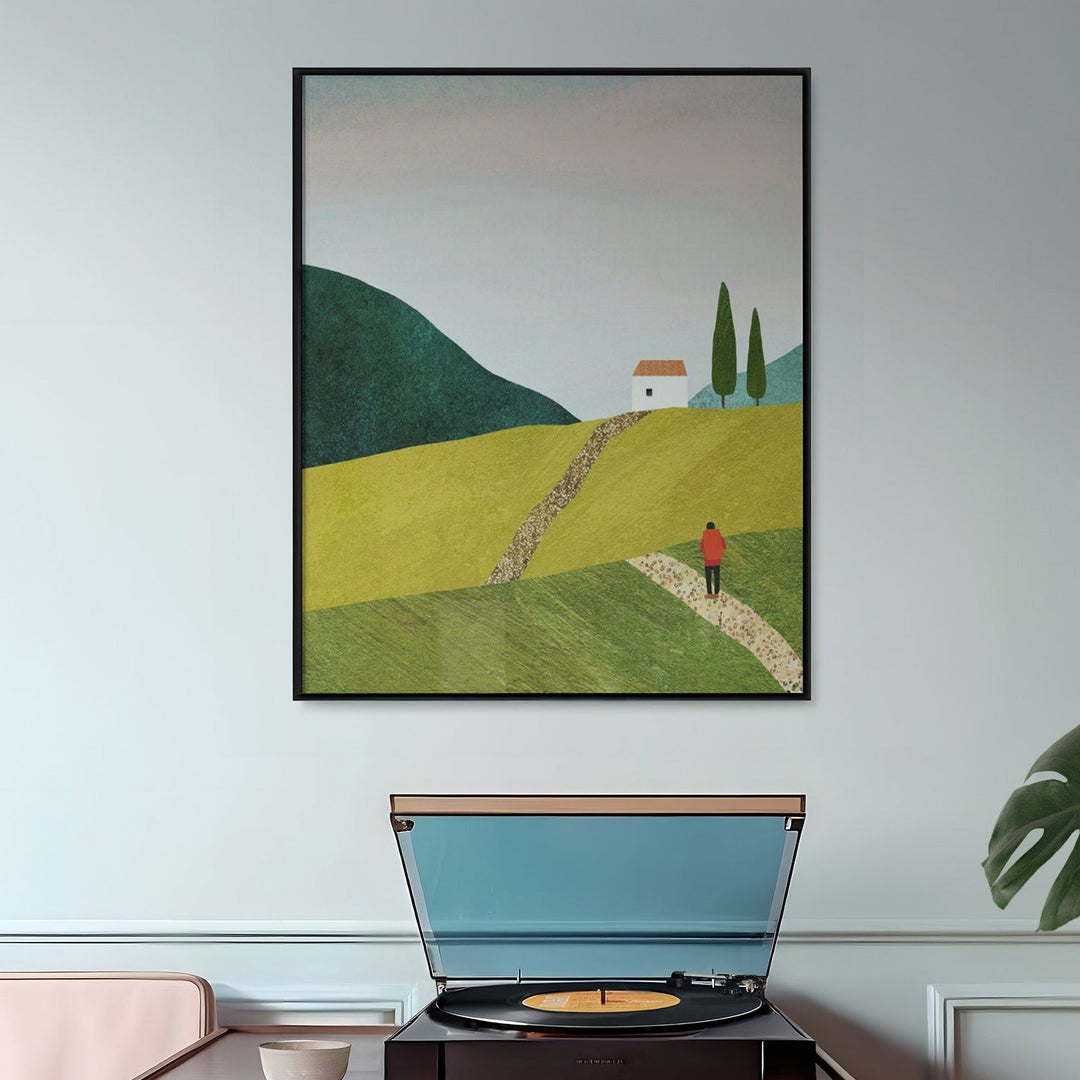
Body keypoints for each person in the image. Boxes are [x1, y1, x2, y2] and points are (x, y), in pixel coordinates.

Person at [699, 521, 726, 598]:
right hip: (717, 560)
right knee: (716, 577)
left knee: (708, 577)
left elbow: (701, 548)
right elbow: (723, 546)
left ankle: (710, 593)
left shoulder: (705, 537)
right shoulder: (719, 536)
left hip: (708, 561)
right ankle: (716, 592)